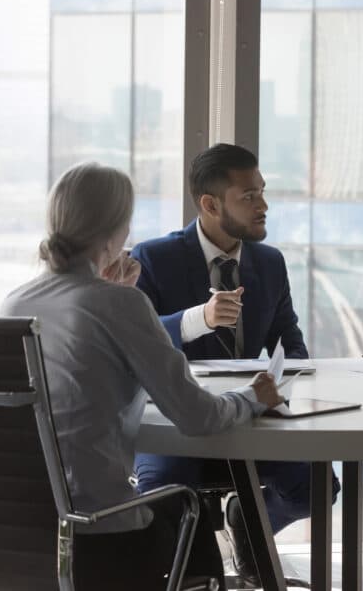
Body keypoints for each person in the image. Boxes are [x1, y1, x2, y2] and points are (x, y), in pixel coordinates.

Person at [0, 162, 284, 590]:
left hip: (26, 535)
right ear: (117, 230)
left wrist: (118, 293)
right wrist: (254, 396)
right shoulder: (117, 305)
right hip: (102, 538)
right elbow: (198, 418)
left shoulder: (14, 304)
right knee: (192, 515)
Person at [130, 143, 338, 582]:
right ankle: (190, 573)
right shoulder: (153, 258)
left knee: (318, 487)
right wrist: (196, 320)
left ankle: (249, 518)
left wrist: (291, 386)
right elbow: (135, 340)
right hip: (178, 419)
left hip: (251, 414)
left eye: (262, 192)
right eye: (249, 196)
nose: (263, 205)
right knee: (164, 495)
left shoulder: (269, 261)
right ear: (209, 204)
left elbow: (290, 341)